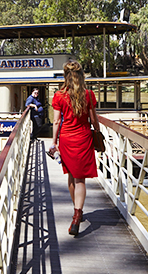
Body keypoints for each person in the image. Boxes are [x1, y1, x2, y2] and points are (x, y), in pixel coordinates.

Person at [47, 61, 100, 236]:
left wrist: (54, 142)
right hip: (84, 138)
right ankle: (77, 215)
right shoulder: (88, 94)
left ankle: (77, 212)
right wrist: (98, 133)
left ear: (65, 76)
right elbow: (94, 120)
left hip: (67, 139)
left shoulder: (59, 96)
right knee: (80, 180)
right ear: (81, 75)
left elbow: (56, 121)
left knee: (71, 175)